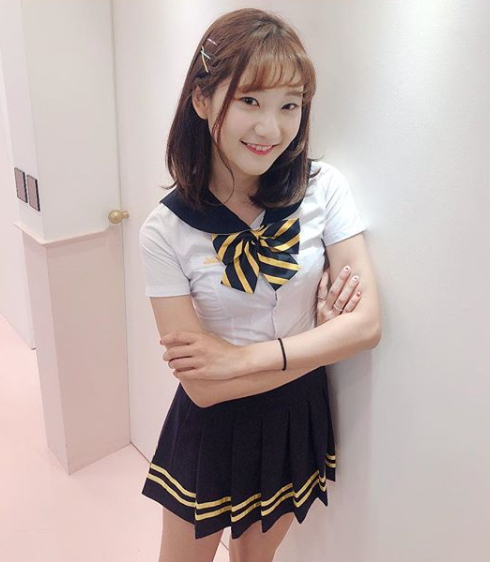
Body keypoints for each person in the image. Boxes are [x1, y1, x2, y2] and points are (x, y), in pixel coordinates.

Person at [138, 8, 382, 562]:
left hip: (296, 413)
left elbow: (367, 325)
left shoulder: (324, 188)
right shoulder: (165, 231)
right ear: (202, 100)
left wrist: (237, 359)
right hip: (212, 421)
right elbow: (202, 388)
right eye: (249, 100)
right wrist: (321, 343)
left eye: (289, 105)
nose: (271, 129)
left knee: (255, 559)